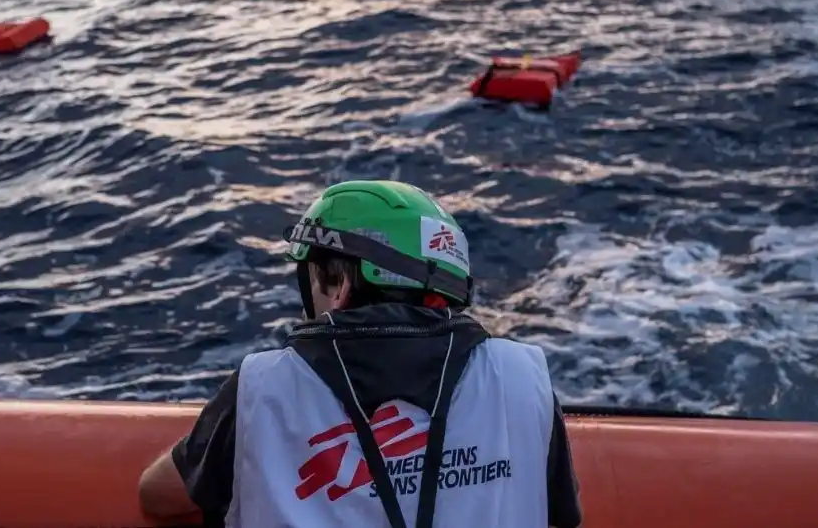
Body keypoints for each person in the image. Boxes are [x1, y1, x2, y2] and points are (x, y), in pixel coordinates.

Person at [138, 179, 582, 528]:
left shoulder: (263, 386)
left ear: (340, 285)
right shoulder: (523, 376)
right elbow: (560, 510)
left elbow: (158, 496)